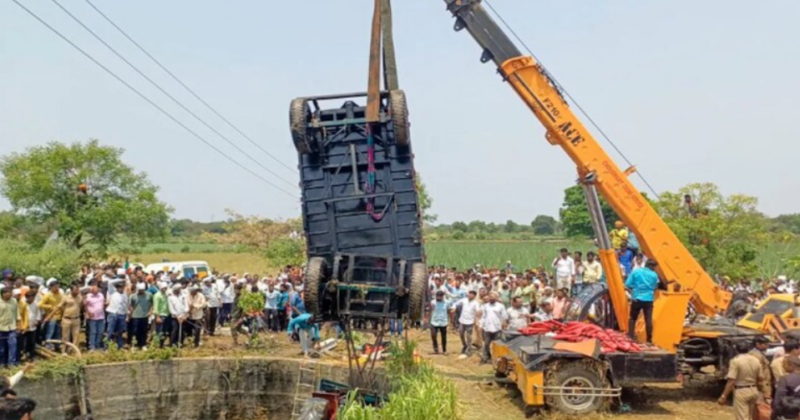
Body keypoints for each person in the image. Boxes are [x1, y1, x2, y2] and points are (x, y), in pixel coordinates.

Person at [718, 341, 765, 420]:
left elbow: (731, 380)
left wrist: (724, 395)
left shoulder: (736, 361)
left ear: (736, 350)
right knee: (750, 416)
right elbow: (761, 377)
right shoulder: (756, 360)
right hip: (754, 390)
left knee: (742, 417)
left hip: (741, 391)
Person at [625, 259, 659, 344]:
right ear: (651, 266)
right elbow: (655, 287)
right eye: (654, 267)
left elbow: (627, 285)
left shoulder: (636, 272)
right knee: (648, 319)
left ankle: (631, 337)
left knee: (633, 318)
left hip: (637, 298)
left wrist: (632, 294)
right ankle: (649, 340)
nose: (655, 269)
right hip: (649, 299)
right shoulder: (654, 275)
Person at [478, 292, 508, 364]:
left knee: (497, 344)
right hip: (487, 328)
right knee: (486, 344)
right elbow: (483, 317)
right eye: (490, 297)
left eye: (493, 298)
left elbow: (504, 317)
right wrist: (480, 326)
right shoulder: (485, 306)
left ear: (496, 298)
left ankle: (496, 358)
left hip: (497, 328)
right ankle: (485, 358)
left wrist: (504, 325)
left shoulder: (500, 306)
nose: (491, 299)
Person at [38, 279, 63, 351]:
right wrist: (50, 307)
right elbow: (40, 305)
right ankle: (48, 345)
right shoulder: (48, 295)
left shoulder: (60, 294)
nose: (57, 288)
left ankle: (57, 346)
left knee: (58, 332)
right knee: (50, 332)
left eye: (58, 287)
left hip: (59, 316)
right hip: (51, 317)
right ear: (51, 287)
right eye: (55, 287)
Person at [455, 290, 480, 359]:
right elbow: (456, 303)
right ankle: (464, 345)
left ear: (474, 296)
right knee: (461, 334)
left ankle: (468, 350)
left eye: (472, 294)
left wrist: (478, 313)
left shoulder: (476, 303)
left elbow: (478, 310)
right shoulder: (464, 300)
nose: (470, 295)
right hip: (462, 320)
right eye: (470, 294)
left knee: (468, 336)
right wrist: (454, 307)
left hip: (470, 322)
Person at [105, 281, 129, 350]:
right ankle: (106, 346)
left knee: (120, 332)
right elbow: (110, 283)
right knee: (110, 331)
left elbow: (126, 305)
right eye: (120, 287)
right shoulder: (112, 292)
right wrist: (121, 279)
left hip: (122, 314)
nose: (121, 288)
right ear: (117, 288)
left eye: (122, 287)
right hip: (113, 314)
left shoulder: (125, 295)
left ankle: (120, 346)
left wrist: (127, 315)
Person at [129, 283, 152, 350]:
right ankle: (134, 345)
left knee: (144, 331)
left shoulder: (149, 295)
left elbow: (152, 303)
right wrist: (131, 312)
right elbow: (130, 305)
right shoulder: (133, 296)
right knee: (135, 331)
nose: (141, 291)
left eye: (142, 290)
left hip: (145, 316)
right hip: (135, 316)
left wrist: (150, 311)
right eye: (140, 290)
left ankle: (143, 344)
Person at [428, 291, 452, 355]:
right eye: (437, 296)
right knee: (433, 336)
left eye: (440, 296)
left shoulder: (446, 302)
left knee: (443, 337)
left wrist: (451, 320)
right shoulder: (433, 302)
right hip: (434, 321)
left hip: (443, 322)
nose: (438, 297)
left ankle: (444, 350)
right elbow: (430, 309)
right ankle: (436, 349)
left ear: (442, 296)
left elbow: (449, 311)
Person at [750, 336, 773, 402]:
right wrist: (764, 388)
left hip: (764, 384)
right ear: (757, 344)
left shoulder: (760, 353)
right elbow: (758, 373)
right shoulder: (755, 355)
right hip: (760, 385)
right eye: (765, 344)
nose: (767, 346)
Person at [83, 282, 105, 351]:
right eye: (93, 289)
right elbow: (84, 305)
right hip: (92, 318)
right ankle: (92, 346)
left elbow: (103, 303)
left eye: (96, 289)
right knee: (93, 332)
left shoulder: (101, 295)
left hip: (101, 317)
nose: (95, 290)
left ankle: (97, 345)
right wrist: (88, 312)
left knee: (100, 332)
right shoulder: (88, 296)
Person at [0, 286, 18, 367]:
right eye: (8, 293)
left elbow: (17, 313)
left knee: (13, 346)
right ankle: (2, 363)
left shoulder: (14, 301)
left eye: (10, 292)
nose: (10, 294)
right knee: (2, 348)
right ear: (3, 294)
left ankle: (11, 364)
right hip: (1, 328)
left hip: (12, 327)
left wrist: (19, 325)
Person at [18, 291, 38, 361]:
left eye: (33, 297)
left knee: (32, 342)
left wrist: (37, 320)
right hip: (23, 327)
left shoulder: (35, 304)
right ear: (27, 297)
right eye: (30, 297)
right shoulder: (22, 303)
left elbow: (38, 313)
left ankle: (31, 356)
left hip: (32, 326)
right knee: (22, 342)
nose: (32, 299)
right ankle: (22, 355)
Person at [152, 282, 171, 348]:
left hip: (167, 315)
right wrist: (157, 317)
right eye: (164, 288)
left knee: (165, 331)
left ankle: (162, 345)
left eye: (166, 288)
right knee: (159, 331)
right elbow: (156, 307)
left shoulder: (166, 294)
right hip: (160, 315)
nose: (165, 289)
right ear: (161, 288)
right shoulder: (157, 295)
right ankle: (157, 345)